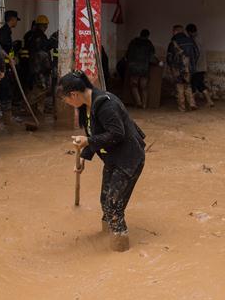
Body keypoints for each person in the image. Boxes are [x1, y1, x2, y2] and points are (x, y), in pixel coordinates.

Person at [60, 71, 146, 252]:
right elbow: (96, 134)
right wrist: (84, 156)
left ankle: (120, 250)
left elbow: (117, 134)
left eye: (66, 100)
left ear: (74, 94)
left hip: (129, 158)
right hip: (113, 157)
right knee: (105, 201)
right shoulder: (86, 106)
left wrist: (88, 141)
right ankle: (108, 237)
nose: (67, 104)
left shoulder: (106, 105)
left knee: (113, 206)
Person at [0, 10, 20, 128]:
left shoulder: (6, 31)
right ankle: (7, 120)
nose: (16, 22)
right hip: (3, 67)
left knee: (1, 91)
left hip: (5, 66)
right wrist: (9, 59)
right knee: (5, 92)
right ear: (12, 19)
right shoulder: (4, 32)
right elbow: (0, 49)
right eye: (16, 20)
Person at [167, 25, 198, 112]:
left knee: (179, 87)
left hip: (177, 69)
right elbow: (197, 53)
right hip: (188, 68)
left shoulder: (173, 43)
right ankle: (192, 103)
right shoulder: (190, 41)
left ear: (175, 31)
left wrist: (171, 67)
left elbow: (169, 58)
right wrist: (192, 64)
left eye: (173, 31)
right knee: (188, 85)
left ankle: (182, 107)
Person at [125, 29, 157, 108]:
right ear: (148, 35)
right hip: (144, 68)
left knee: (134, 85)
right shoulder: (148, 44)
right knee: (144, 87)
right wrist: (158, 62)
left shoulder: (133, 43)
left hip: (133, 68)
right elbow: (152, 57)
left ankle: (138, 102)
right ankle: (144, 105)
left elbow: (127, 55)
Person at [186, 24, 215, 108]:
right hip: (201, 66)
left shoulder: (194, 40)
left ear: (189, 32)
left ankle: (192, 103)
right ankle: (209, 101)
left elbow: (195, 54)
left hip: (197, 67)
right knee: (200, 84)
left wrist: (191, 64)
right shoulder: (199, 38)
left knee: (194, 84)